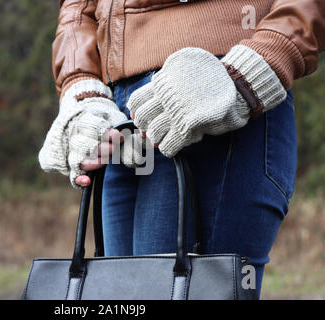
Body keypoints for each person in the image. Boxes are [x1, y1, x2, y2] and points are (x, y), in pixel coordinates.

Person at [38, 0, 325, 297]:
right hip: (119, 113)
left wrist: (258, 64)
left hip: (212, 92)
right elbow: (77, 7)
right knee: (121, 296)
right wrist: (81, 87)